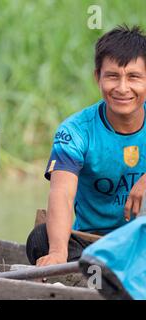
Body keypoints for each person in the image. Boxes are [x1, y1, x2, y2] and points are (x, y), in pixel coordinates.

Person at [26, 25, 146, 266]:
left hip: (140, 242)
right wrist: (59, 252)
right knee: (40, 239)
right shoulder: (75, 131)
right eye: (112, 76)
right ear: (97, 77)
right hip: (93, 244)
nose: (122, 88)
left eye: (133, 77)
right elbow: (62, 193)